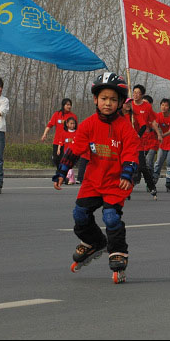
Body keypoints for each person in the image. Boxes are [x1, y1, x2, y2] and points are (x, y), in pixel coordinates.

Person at [52, 72, 138, 283]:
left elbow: (131, 152)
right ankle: (95, 242)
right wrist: (62, 171)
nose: (108, 103)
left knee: (110, 217)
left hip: (116, 183)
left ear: (119, 103)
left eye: (113, 99)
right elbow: (74, 149)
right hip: (93, 181)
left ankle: (118, 252)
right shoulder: (89, 124)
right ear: (95, 100)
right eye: (103, 98)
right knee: (79, 215)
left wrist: (128, 174)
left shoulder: (125, 127)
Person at [151, 98, 170, 192]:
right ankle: (153, 179)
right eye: (162, 105)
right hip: (163, 143)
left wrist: (162, 135)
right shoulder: (158, 115)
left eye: (166, 105)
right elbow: (154, 124)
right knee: (158, 162)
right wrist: (159, 134)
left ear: (169, 107)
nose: (163, 107)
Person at [41, 98, 78, 166]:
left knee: (65, 160)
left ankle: (63, 174)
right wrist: (45, 134)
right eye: (67, 105)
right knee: (56, 159)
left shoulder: (73, 116)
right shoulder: (57, 114)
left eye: (70, 105)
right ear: (63, 105)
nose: (69, 106)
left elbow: (76, 129)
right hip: (57, 141)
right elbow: (50, 125)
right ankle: (60, 172)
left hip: (67, 142)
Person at [57, 117, 79, 185]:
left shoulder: (77, 133)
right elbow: (61, 142)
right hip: (66, 153)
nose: (72, 125)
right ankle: (68, 178)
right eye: (71, 123)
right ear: (67, 124)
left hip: (75, 153)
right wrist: (58, 149)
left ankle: (70, 178)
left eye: (74, 124)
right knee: (66, 165)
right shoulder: (64, 133)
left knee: (70, 165)